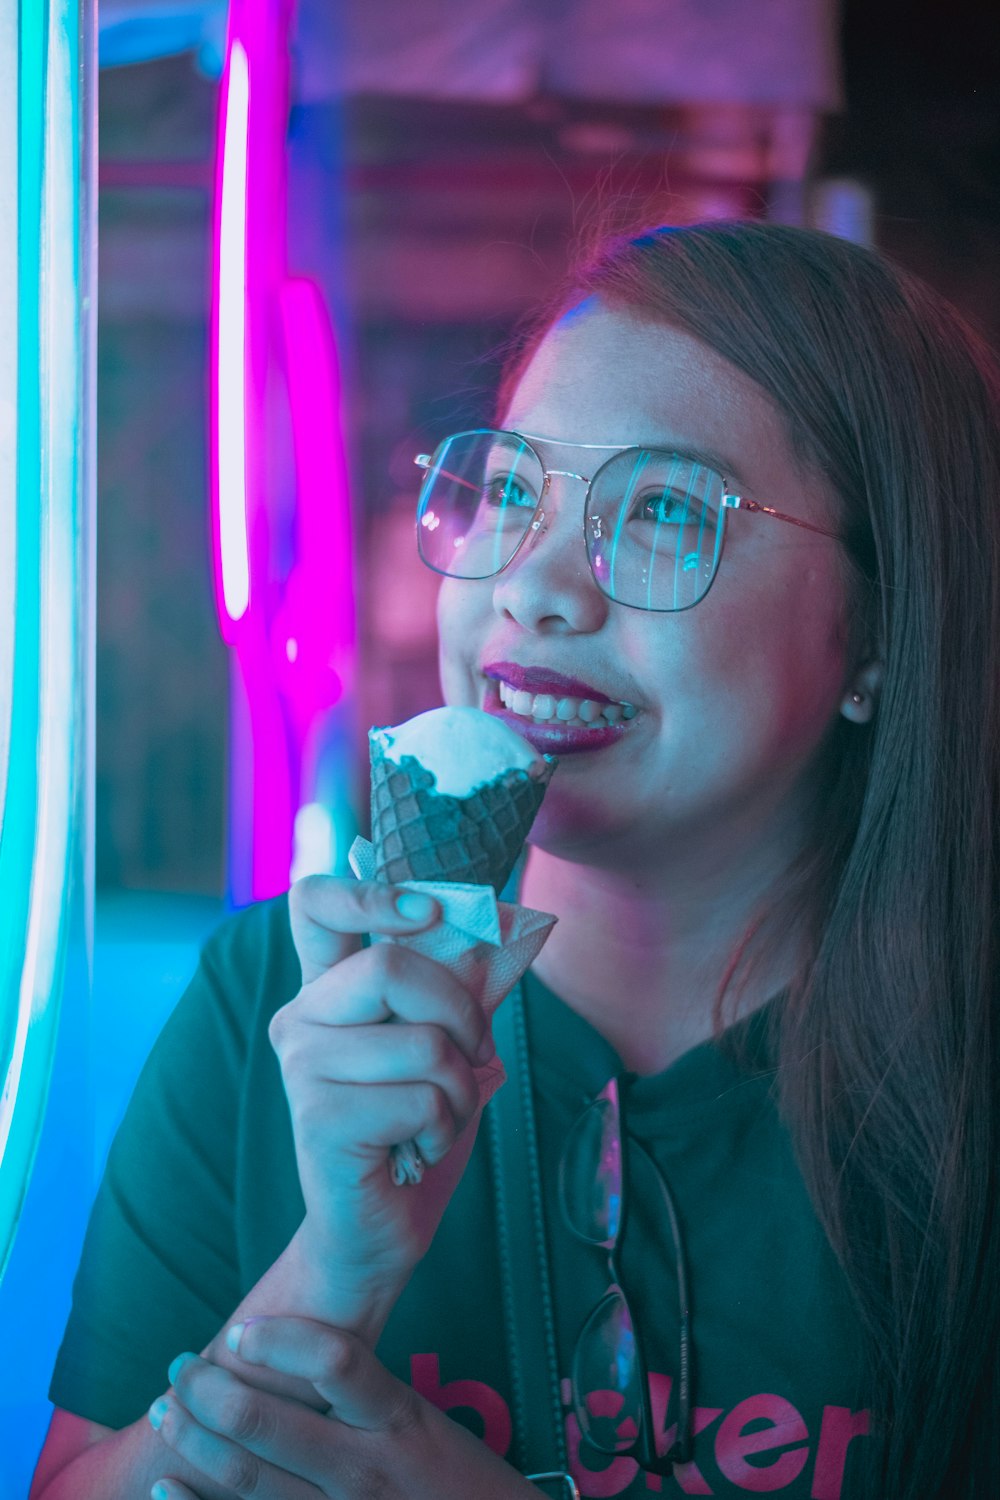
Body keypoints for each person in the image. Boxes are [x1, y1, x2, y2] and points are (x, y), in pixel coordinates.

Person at [30, 221, 1000, 1500]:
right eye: (510, 491)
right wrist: (336, 1271)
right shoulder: (269, 999)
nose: (532, 585)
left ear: (881, 631)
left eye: (660, 510)